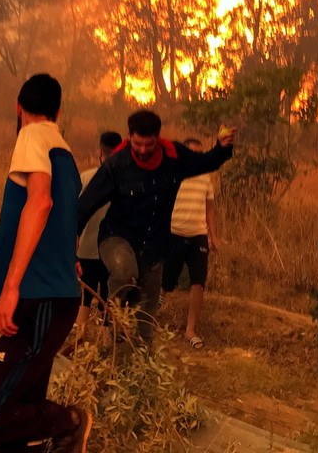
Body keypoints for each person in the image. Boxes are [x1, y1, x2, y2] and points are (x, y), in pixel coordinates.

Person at [0, 74, 91, 453]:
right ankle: (45, 435)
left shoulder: (32, 135)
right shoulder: (65, 152)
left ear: (19, 107)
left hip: (38, 297)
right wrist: (67, 259)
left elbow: (40, 204)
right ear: (59, 111)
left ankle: (68, 421)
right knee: (21, 424)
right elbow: (66, 223)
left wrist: (11, 288)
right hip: (55, 296)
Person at [77, 110, 235, 344]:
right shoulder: (116, 164)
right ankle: (114, 326)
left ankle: (143, 350)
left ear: (158, 138)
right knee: (124, 271)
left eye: (148, 144)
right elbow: (85, 205)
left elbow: (206, 162)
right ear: (129, 137)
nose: (142, 150)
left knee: (149, 301)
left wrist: (221, 147)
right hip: (116, 237)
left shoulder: (174, 157)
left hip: (153, 243)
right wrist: (73, 239)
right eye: (137, 144)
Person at [160, 138, 219, 350]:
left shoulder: (205, 177)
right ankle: (152, 315)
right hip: (174, 233)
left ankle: (190, 330)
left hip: (198, 236)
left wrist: (213, 236)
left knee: (198, 282)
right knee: (167, 282)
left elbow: (209, 208)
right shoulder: (172, 174)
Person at [75, 131, 122, 333]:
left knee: (85, 295)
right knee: (108, 297)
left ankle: (80, 337)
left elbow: (74, 212)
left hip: (85, 249)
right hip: (112, 251)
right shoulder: (125, 182)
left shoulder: (86, 177)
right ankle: (104, 344)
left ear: (99, 152)